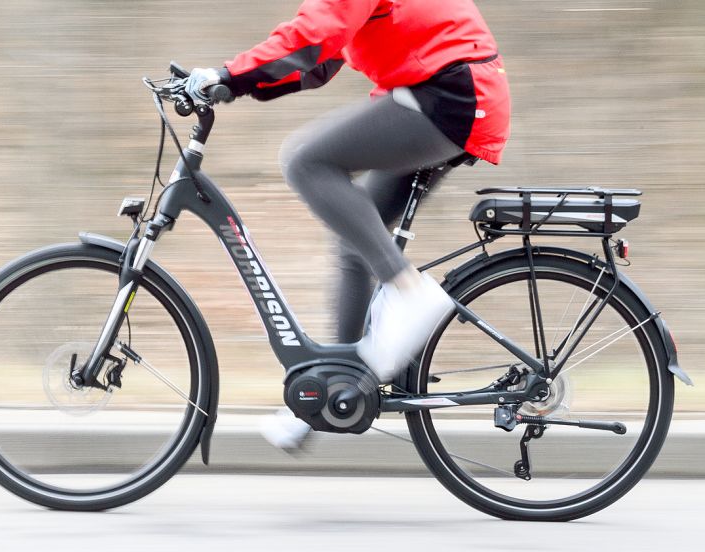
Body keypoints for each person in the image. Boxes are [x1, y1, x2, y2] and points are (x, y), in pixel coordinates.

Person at [184, 0, 510, 449]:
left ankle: (409, 291)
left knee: (305, 160)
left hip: (449, 94)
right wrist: (237, 83)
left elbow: (315, 36)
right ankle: (337, 389)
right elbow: (317, 61)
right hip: (448, 92)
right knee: (356, 239)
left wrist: (229, 74)